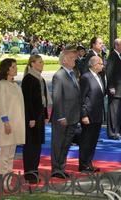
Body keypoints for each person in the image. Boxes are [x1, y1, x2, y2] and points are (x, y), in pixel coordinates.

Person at [51, 45, 81, 178]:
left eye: (74, 57)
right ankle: (56, 169)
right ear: (64, 61)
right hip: (62, 117)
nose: (75, 59)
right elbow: (57, 98)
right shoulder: (59, 76)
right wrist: (61, 116)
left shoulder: (72, 73)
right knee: (58, 144)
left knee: (66, 144)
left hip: (73, 116)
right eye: (71, 58)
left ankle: (61, 168)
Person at [21, 55, 50, 183]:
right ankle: (29, 173)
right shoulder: (28, 79)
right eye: (40, 62)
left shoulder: (40, 78)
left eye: (42, 62)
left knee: (37, 145)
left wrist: (45, 115)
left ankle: (35, 170)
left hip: (39, 116)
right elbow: (27, 101)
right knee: (30, 145)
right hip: (31, 117)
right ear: (32, 64)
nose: (42, 64)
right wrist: (31, 118)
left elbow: (43, 99)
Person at [0, 58, 25, 177]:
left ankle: (8, 181)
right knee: (4, 155)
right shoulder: (2, 84)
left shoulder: (15, 85)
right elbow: (2, 105)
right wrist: (6, 122)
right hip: (6, 124)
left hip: (16, 124)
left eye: (16, 66)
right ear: (6, 70)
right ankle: (3, 180)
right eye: (13, 67)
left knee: (11, 155)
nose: (16, 68)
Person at [79, 56, 105, 172]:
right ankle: (83, 164)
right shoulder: (86, 77)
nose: (102, 65)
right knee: (86, 140)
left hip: (97, 114)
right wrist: (83, 115)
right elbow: (82, 98)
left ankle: (89, 162)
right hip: (89, 115)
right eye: (100, 64)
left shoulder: (99, 76)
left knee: (93, 140)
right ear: (94, 65)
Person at [106, 38, 121, 140]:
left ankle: (116, 131)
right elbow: (109, 72)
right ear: (116, 45)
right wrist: (111, 86)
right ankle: (112, 132)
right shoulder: (112, 56)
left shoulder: (119, 56)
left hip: (120, 89)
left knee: (118, 112)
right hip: (115, 89)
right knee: (113, 112)